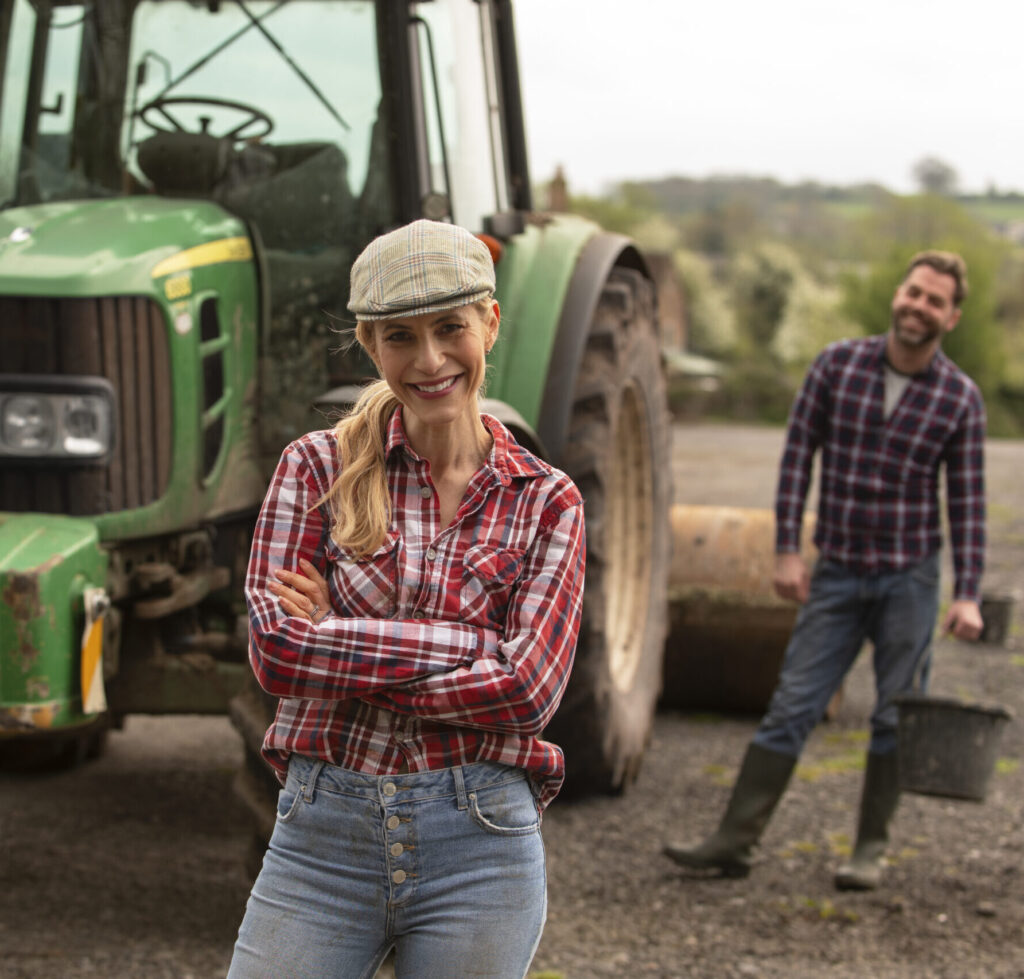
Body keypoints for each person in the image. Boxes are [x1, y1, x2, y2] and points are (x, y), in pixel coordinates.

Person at [228, 219, 585, 978]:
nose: (429, 361)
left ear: (489, 321)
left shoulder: (547, 500)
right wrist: (471, 647)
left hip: (480, 844)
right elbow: (278, 653)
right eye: (399, 338)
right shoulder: (313, 467)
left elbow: (527, 693)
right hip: (323, 839)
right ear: (369, 344)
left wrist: (343, 632)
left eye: (450, 327)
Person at [663, 250, 986, 891]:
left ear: (950, 317)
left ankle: (868, 848)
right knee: (792, 705)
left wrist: (968, 593)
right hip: (836, 571)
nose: (918, 306)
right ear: (899, 293)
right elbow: (796, 461)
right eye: (913, 292)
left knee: (896, 713)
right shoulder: (837, 365)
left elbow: (969, 502)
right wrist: (787, 549)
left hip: (910, 579)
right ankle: (735, 841)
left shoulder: (960, 398)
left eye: (933, 301)